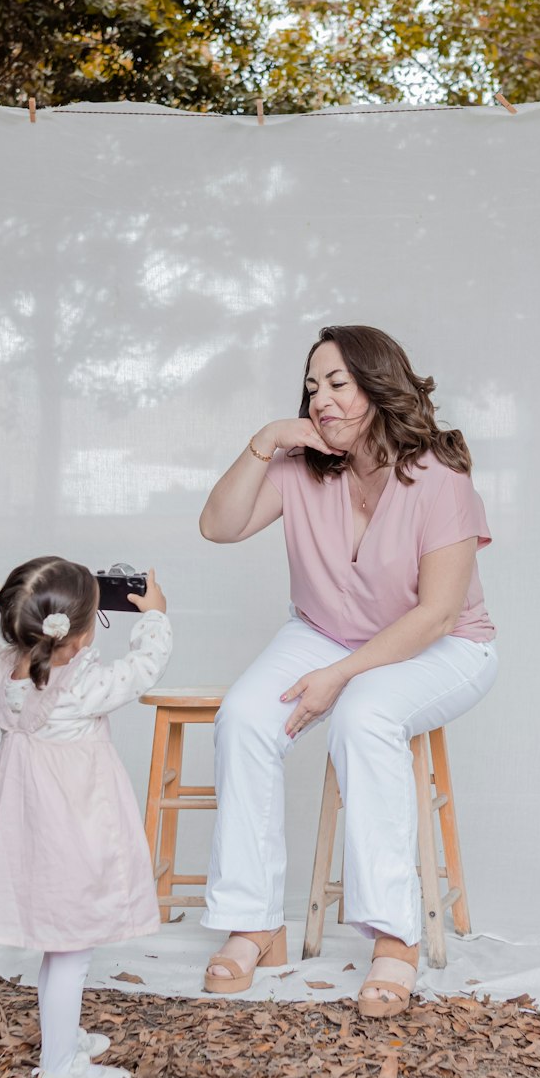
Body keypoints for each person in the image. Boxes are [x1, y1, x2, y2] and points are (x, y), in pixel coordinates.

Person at [198, 325, 497, 1018]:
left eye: (338, 384)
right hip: (323, 632)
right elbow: (217, 527)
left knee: (365, 715)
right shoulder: (302, 465)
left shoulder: (437, 479)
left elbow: (436, 614)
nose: (321, 400)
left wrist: (343, 677)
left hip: (445, 646)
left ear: (377, 385)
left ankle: (395, 939)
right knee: (244, 716)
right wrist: (264, 441)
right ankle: (254, 926)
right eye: (311, 387)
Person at [0, 556, 171, 1078]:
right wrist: (156, 617)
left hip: (35, 829)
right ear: (76, 638)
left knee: (59, 945)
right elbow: (142, 670)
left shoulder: (12, 667)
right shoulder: (80, 683)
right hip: (72, 826)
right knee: (72, 950)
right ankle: (59, 1069)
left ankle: (63, 1037)